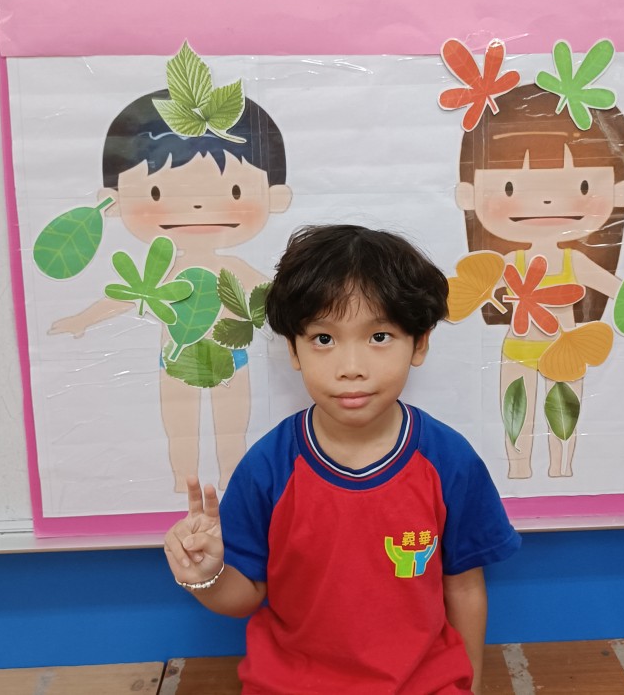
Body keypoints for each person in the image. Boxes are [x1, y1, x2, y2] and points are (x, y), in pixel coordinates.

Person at [163, 224, 521, 694]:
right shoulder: (268, 468)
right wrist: (206, 578)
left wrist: (469, 685)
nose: (351, 368)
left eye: (379, 336)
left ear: (420, 343)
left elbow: (465, 586)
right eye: (324, 339)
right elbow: (244, 597)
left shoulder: (449, 460)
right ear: (293, 349)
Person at [49, 86, 291, 491]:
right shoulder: (163, 271)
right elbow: (127, 296)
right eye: (157, 192)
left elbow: (279, 296)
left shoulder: (232, 268)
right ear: (114, 201)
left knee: (232, 429)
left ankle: (233, 481)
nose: (197, 208)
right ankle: (182, 482)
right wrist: (82, 319)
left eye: (234, 191)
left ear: (275, 197)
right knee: (180, 428)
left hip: (232, 360)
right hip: (175, 361)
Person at [455, 83, 624, 479]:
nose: (545, 202)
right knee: (517, 411)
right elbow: (474, 288)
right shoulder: (509, 261)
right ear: (468, 196)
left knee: (564, 412)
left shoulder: (573, 261)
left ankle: (561, 469)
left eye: (582, 186)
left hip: (567, 345)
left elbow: (614, 286)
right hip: (518, 348)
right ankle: (519, 469)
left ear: (621, 192)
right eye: (510, 187)